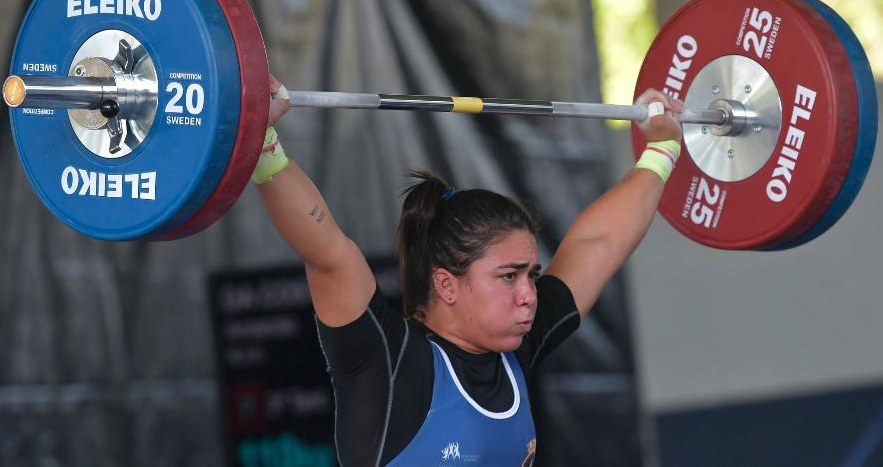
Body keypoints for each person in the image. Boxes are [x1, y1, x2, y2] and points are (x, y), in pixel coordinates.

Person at [255, 75, 683, 466]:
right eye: (508, 275)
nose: (529, 294)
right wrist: (261, 142)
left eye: (531, 275)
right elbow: (326, 251)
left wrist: (663, 150)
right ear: (446, 283)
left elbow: (598, 243)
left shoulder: (516, 344)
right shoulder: (386, 361)